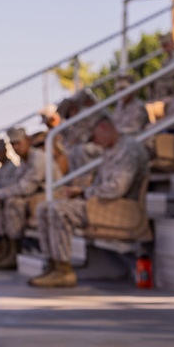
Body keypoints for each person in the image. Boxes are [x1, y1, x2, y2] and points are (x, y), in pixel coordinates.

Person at [29, 117, 149, 290]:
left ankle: (64, 270)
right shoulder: (111, 149)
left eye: (93, 137)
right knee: (44, 207)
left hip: (120, 209)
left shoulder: (128, 149)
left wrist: (84, 192)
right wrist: (80, 192)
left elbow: (117, 189)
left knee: (59, 209)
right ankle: (53, 265)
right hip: (104, 204)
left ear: (103, 127)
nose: (93, 142)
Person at [0, 126, 46, 270]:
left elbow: (26, 187)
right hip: (33, 197)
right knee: (0, 201)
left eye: (18, 143)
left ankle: (14, 251)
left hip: (46, 196)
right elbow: (15, 185)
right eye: (12, 144)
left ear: (27, 140)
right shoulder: (24, 160)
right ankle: (6, 250)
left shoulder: (38, 158)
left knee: (12, 202)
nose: (16, 147)